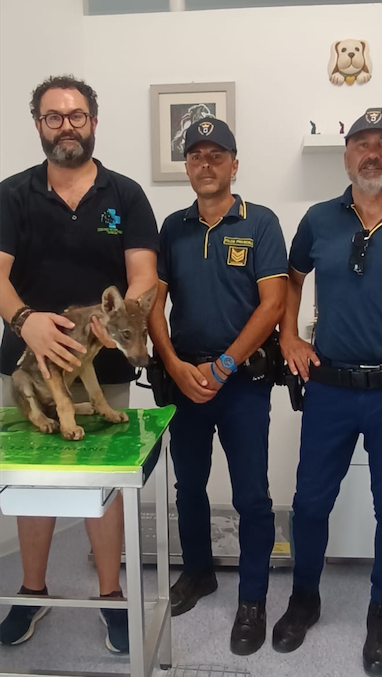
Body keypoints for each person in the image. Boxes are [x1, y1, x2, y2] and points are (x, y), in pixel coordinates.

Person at [0, 75, 159, 654]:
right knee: (33, 483)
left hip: (104, 368)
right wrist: (26, 321)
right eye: (53, 116)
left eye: (76, 115)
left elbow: (144, 275)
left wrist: (115, 316)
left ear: (94, 120)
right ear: (38, 125)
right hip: (28, 363)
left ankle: (111, 597)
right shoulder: (12, 194)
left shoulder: (126, 195)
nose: (66, 125)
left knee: (103, 487)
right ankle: (30, 592)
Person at [272, 107, 382, 677]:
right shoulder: (318, 218)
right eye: (362, 143)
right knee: (309, 502)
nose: (372, 153)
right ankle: (304, 597)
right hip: (328, 386)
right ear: (347, 156)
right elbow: (292, 276)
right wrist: (288, 335)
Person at [148, 117, 288, 656]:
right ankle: (199, 572)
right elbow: (153, 302)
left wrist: (225, 365)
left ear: (234, 164)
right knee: (189, 488)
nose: (206, 165)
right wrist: (175, 364)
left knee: (252, 495)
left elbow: (273, 305)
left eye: (216, 155)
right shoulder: (173, 227)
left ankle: (252, 598)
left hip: (242, 383)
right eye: (196, 156)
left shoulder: (261, 223)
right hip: (185, 380)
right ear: (187, 167)